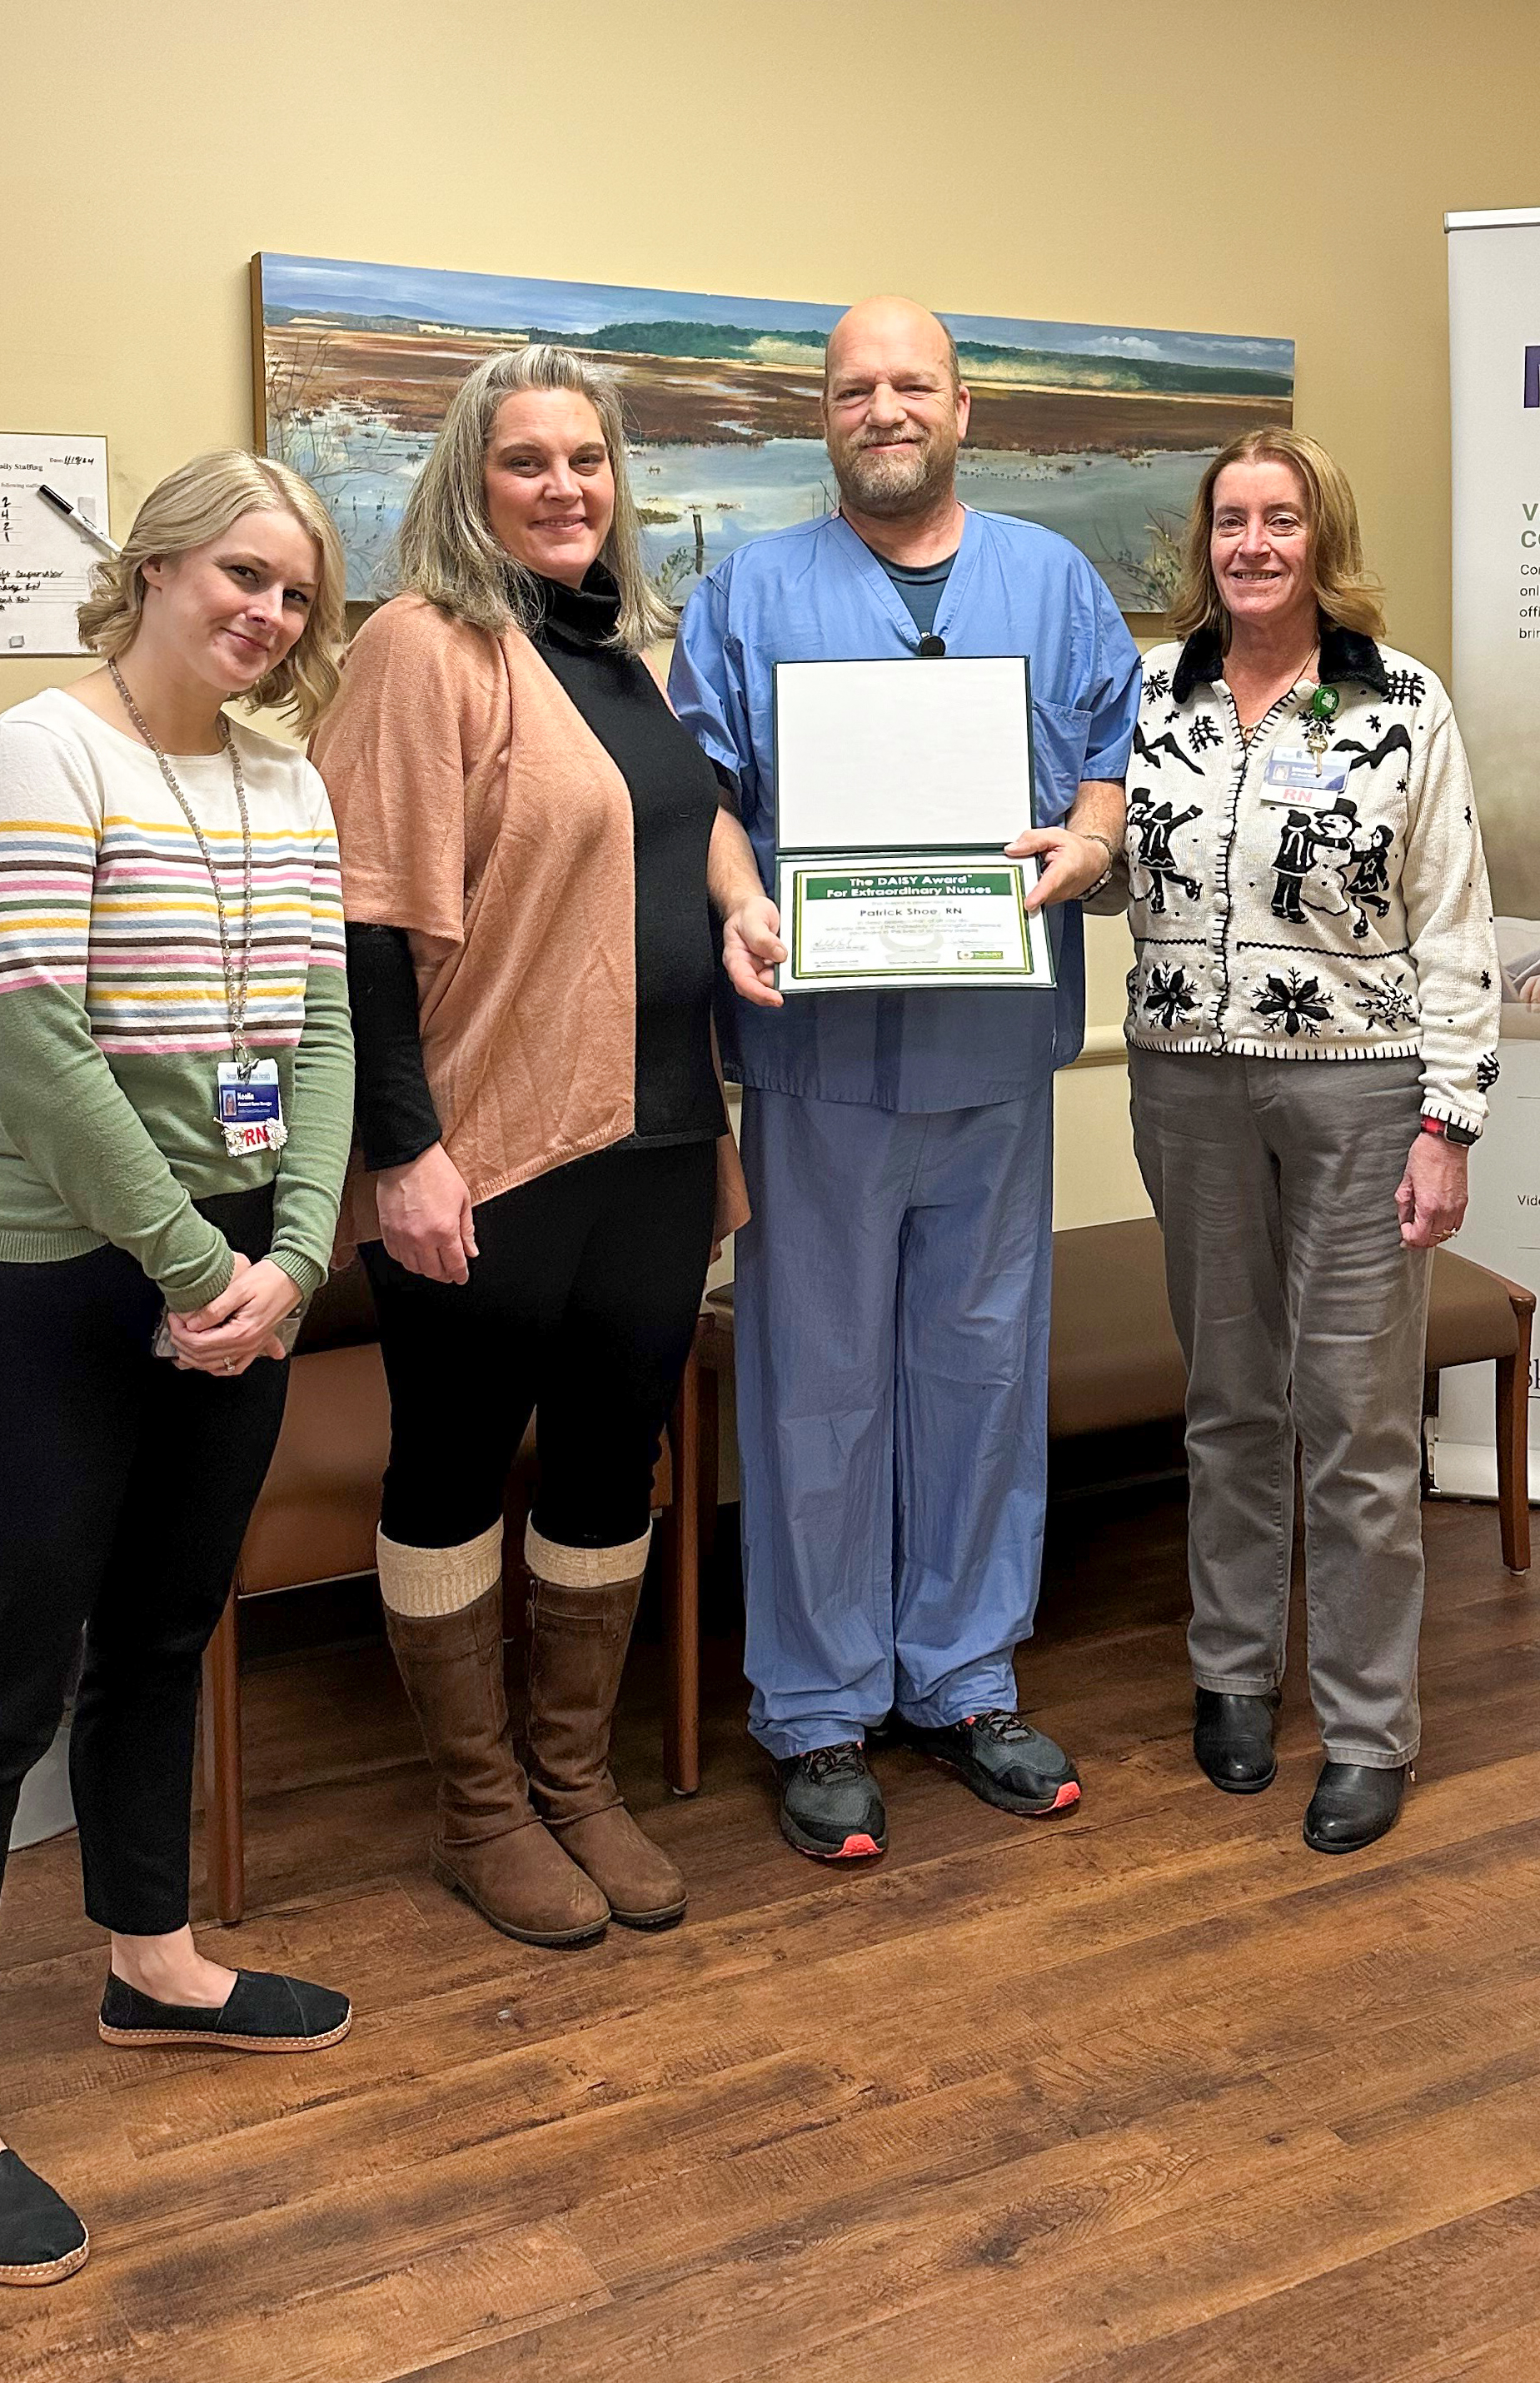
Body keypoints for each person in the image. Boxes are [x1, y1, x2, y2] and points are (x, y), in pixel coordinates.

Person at [0, 451, 357, 2285]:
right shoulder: (34, 756)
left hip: (231, 1281)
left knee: (163, 1636)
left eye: (297, 594)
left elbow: (315, 1032)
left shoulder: (284, 778)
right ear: (151, 569)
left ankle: (152, 1962)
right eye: (241, 576)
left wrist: (294, 1256)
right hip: (43, 1295)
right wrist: (198, 1260)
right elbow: (38, 1056)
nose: (267, 616)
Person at [670, 296, 1141, 1862]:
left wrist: (1084, 845)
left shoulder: (1053, 582)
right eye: (855, 385)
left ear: (961, 405)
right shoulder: (745, 593)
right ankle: (815, 1710)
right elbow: (705, 798)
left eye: (911, 383)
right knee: (815, 1384)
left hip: (993, 1055)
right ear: (825, 413)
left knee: (982, 1367)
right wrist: (738, 901)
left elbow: (1104, 769)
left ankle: (962, 1677)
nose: (884, 406)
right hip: (813, 1058)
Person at [311, 346, 750, 1951]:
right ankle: (480, 1808)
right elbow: (364, 921)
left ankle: (574, 1780)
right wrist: (404, 1151)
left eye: (587, 459)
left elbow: (677, 817)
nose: (564, 487)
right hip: (491, 1146)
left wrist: (745, 897)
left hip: (653, 1131)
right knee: (448, 1465)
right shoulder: (422, 649)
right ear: (465, 481)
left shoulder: (618, 649)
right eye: (526, 463)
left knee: (606, 1456)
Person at [1110, 426, 1497, 1852]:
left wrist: (1446, 1123)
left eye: (1279, 520)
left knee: (1349, 1417)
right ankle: (1229, 1670)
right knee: (1224, 1399)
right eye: (1229, 521)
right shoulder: (1151, 694)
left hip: (1356, 1090)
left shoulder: (1399, 701)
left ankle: (1366, 1720)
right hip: (1183, 1085)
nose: (1252, 544)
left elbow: (1452, 917)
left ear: (1320, 536)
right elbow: (1098, 857)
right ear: (1199, 543)